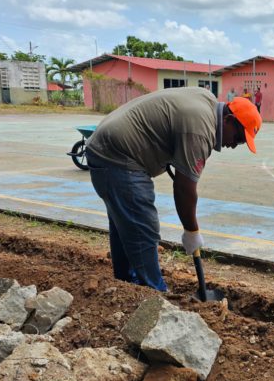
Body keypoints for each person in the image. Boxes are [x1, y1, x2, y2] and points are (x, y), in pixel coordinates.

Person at [85, 87, 261, 291]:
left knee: (126, 225)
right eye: (238, 138)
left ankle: (126, 286)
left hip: (108, 146)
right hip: (116, 155)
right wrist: (191, 231)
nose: (233, 145)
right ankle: (154, 292)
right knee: (143, 227)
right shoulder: (200, 130)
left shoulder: (206, 101)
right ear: (228, 120)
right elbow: (185, 188)